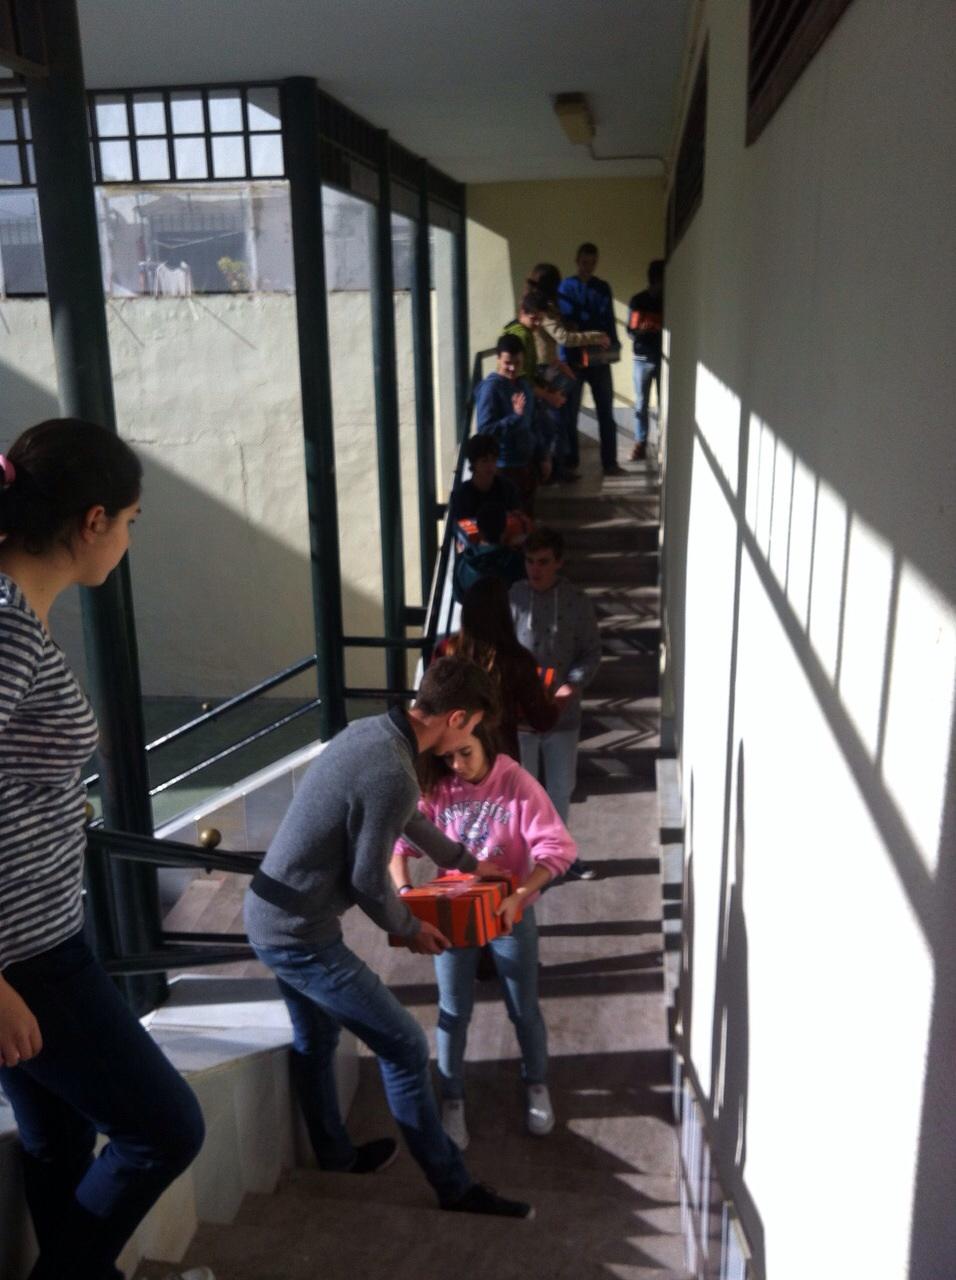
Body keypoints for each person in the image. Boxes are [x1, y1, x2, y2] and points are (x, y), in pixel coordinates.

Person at [0, 419, 212, 1280]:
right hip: (31, 959)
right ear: (91, 522)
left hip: (42, 941)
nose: (127, 538)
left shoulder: (18, 617)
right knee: (166, 1129)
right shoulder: (6, 627)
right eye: (129, 519)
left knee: (57, 1147)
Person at [243, 657, 534, 1220]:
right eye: (472, 727)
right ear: (455, 717)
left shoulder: (373, 734)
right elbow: (366, 878)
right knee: (402, 1044)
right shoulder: (393, 772)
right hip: (298, 935)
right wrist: (408, 929)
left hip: (274, 913)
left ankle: (333, 1155)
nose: (470, 738)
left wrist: (466, 863)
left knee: (315, 1039)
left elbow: (408, 820)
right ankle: (454, 1187)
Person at [389, 721, 576, 1151]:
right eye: (449, 757)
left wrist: (521, 895)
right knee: (453, 1011)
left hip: (510, 913)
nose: (457, 765)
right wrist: (405, 895)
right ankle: (452, 1099)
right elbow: (399, 847)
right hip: (454, 916)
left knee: (523, 1007)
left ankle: (536, 1083)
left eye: (465, 753)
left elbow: (557, 850)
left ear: (486, 744)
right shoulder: (440, 788)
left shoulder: (516, 783)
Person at [509, 526, 602, 880]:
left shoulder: (577, 602)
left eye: (543, 562)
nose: (535, 569)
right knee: (524, 790)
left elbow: (591, 652)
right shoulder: (515, 597)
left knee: (561, 787)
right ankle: (529, 858)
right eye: (530, 561)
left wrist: (571, 686)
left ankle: (561, 856)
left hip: (562, 715)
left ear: (559, 562)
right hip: (521, 717)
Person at [438, 576, 562, 760]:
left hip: (454, 756)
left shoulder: (446, 651)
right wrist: (556, 698)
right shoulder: (518, 659)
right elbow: (541, 720)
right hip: (499, 756)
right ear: (504, 614)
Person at [527, 263, 611, 478]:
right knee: (556, 420)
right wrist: (596, 336)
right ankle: (556, 469)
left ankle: (559, 466)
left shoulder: (538, 303)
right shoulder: (541, 307)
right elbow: (562, 337)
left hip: (548, 367)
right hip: (544, 371)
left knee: (558, 419)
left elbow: (553, 335)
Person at [558, 243, 625, 476]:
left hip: (598, 359)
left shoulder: (602, 287)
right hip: (573, 360)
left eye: (592, 262)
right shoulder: (566, 287)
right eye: (585, 262)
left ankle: (610, 462)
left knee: (606, 412)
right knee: (570, 414)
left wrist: (612, 345)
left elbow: (607, 320)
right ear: (577, 261)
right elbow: (568, 323)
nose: (588, 267)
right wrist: (591, 333)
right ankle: (570, 462)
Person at [474, 334, 541, 513]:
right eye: (507, 363)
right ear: (498, 360)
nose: (512, 368)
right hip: (504, 466)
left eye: (517, 363)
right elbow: (485, 430)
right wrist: (515, 418)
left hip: (526, 463)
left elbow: (533, 421)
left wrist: (543, 454)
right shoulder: (491, 388)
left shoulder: (523, 384)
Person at [627, 259, 664, 461]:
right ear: (655, 280)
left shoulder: (670, 299)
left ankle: (662, 443)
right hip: (642, 357)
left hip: (663, 358)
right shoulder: (638, 301)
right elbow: (630, 331)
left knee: (663, 404)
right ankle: (640, 442)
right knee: (641, 403)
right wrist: (641, 330)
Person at [451, 502, 525, 603]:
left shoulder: (462, 561)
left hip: (474, 614)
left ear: (478, 530)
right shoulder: (516, 561)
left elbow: (458, 596)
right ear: (504, 530)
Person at [449, 434, 520, 524]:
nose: (490, 466)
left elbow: (516, 521)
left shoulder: (507, 489)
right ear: (473, 463)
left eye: (493, 460)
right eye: (484, 461)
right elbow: (462, 529)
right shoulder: (461, 495)